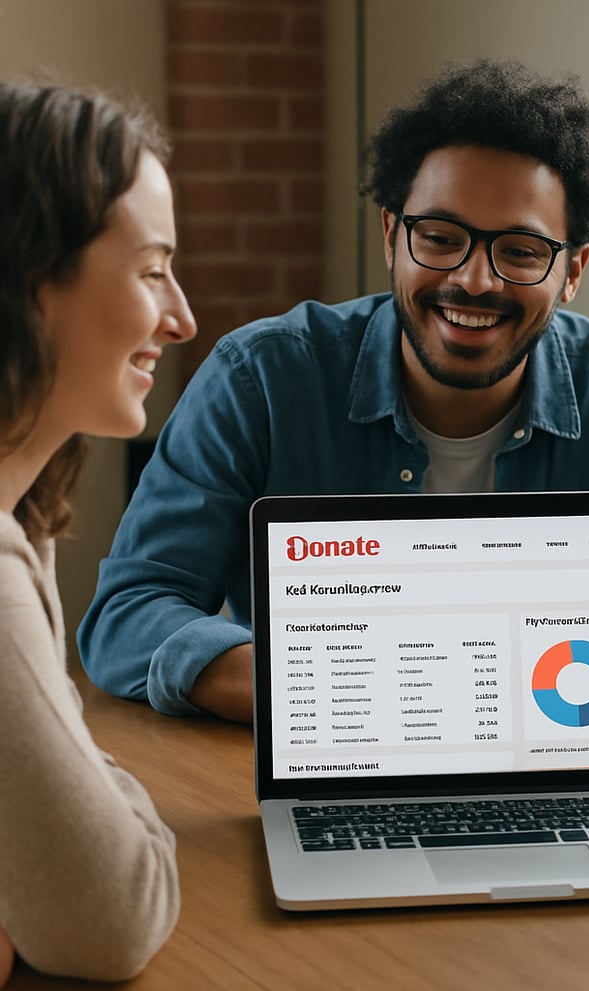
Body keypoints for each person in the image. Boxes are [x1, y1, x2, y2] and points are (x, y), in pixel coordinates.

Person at [80, 58, 589, 726]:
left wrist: (542, 668)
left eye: (519, 250)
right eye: (441, 237)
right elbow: (129, 612)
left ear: (571, 272)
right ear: (392, 235)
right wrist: (334, 689)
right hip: (324, 762)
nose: (474, 280)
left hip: (558, 743)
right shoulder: (260, 378)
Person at [0, 80, 197, 984]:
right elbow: (110, 914)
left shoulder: (22, 512)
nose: (181, 316)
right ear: (34, 279)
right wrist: (126, 809)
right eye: (153, 269)